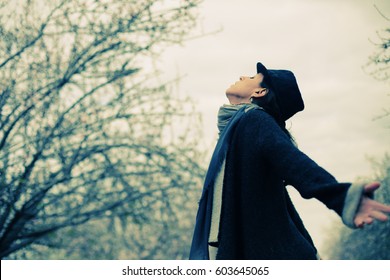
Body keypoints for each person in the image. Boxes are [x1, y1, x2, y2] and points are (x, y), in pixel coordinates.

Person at [189, 62, 390, 260]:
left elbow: (295, 164)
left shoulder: (254, 120)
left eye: (251, 78)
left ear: (260, 92)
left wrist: (343, 197)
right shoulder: (237, 129)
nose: (243, 76)